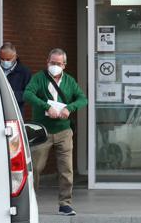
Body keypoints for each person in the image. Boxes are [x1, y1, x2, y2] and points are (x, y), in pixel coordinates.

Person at [23, 48, 87, 216]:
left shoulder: (69, 81)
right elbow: (27, 94)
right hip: (42, 131)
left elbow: (82, 98)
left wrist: (70, 108)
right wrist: (46, 106)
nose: (55, 66)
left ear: (64, 65)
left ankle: (65, 203)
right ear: (47, 62)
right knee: (35, 168)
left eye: (58, 64)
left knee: (66, 168)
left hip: (63, 131)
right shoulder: (39, 78)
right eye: (52, 63)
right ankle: (31, 201)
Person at [0, 42, 31, 114]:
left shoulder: (24, 72)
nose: (5, 61)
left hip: (15, 112)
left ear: (15, 56)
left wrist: (11, 94)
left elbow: (29, 94)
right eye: (2, 59)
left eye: (8, 59)